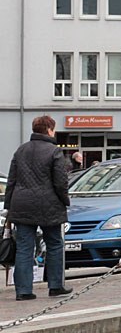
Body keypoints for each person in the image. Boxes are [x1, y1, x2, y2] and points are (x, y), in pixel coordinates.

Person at [5, 115, 72, 300]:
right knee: (54, 244)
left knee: (25, 247)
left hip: (22, 205)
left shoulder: (21, 150)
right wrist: (65, 201)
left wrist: (8, 206)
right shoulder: (54, 151)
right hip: (48, 205)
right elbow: (60, 182)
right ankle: (55, 285)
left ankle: (23, 291)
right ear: (49, 129)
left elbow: (11, 180)